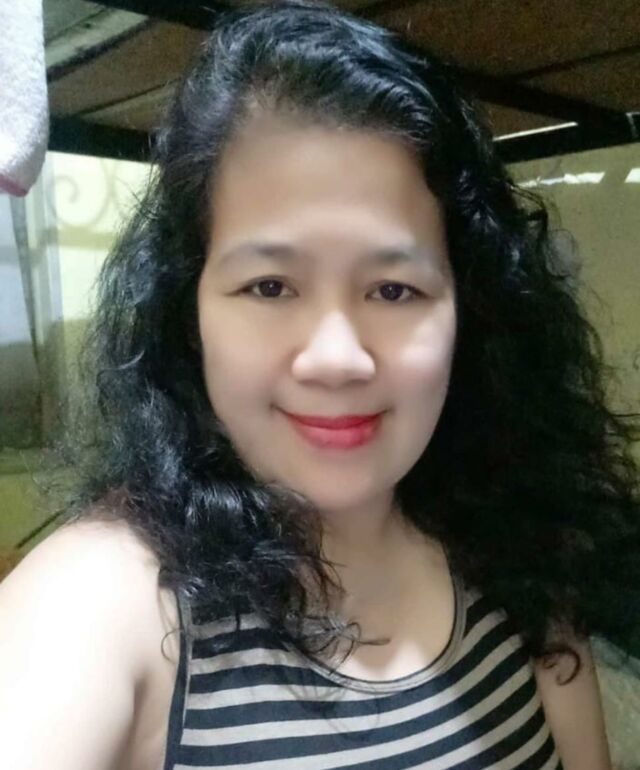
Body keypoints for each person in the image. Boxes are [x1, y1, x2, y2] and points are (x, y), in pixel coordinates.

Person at [1, 1, 638, 768]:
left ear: (469, 313)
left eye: (394, 290)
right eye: (269, 286)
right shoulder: (104, 602)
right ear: (187, 312)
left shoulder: (521, 559)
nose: (337, 359)